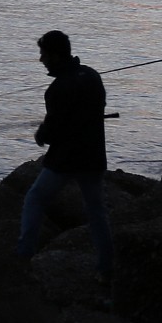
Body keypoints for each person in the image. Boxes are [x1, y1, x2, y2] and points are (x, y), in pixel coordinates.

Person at [16, 29, 114, 284]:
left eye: (44, 54)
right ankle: (107, 266)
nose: (41, 60)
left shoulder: (56, 90)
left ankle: (24, 255)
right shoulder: (92, 76)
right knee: (96, 212)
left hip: (66, 161)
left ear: (55, 55)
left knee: (35, 199)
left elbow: (53, 131)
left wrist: (40, 134)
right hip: (94, 158)